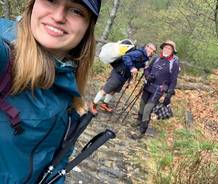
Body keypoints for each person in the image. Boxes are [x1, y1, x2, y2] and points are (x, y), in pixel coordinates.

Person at [0, 0, 101, 183]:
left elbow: (55, 162)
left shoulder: (69, 86)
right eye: (50, 0)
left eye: (76, 11)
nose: (58, 17)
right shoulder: (5, 55)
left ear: (88, 27)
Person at [132, 40, 180, 139]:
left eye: (170, 48)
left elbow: (174, 80)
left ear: (172, 51)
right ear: (163, 48)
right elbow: (147, 69)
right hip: (148, 85)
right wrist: (148, 76)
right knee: (142, 104)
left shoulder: (174, 63)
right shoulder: (156, 58)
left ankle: (141, 131)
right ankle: (138, 121)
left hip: (158, 89)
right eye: (166, 47)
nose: (167, 50)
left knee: (147, 109)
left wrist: (169, 94)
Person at [91, 43, 156, 115]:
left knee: (114, 90)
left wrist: (143, 66)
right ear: (146, 47)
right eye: (150, 48)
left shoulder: (144, 57)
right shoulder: (139, 53)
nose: (151, 51)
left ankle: (104, 104)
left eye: (153, 50)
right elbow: (126, 57)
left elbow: (136, 64)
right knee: (106, 89)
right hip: (118, 73)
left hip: (124, 76)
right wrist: (132, 67)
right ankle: (93, 105)